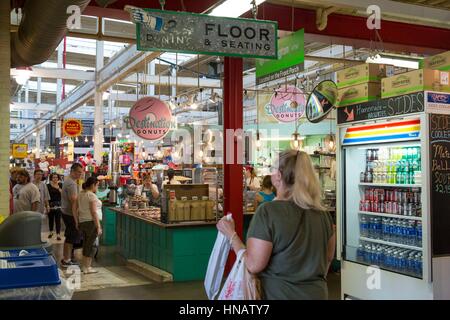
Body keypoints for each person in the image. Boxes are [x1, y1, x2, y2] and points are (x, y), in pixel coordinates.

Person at [217, 150, 336, 300]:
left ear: (279, 176)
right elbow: (328, 258)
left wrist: (232, 235)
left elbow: (254, 265)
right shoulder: (323, 214)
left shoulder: (268, 212)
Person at [77, 176, 102, 274]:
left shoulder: (81, 194)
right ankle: (87, 267)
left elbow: (76, 208)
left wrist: (77, 221)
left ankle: (85, 266)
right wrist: (98, 226)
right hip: (91, 223)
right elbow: (93, 212)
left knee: (86, 244)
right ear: (93, 185)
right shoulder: (91, 195)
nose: (97, 188)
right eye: (97, 186)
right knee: (91, 245)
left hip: (83, 221)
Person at [61, 162, 84, 268]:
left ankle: (67, 258)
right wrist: (76, 218)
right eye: (79, 172)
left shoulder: (70, 181)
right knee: (70, 237)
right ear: (73, 171)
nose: (80, 174)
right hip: (70, 214)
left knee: (70, 236)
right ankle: (66, 259)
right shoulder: (71, 183)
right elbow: (73, 201)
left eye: (81, 172)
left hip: (66, 212)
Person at [47, 173, 63, 241]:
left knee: (58, 220)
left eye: (56, 177)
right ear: (51, 178)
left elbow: (63, 194)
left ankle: (58, 234)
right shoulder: (47, 186)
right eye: (53, 177)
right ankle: (51, 232)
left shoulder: (60, 185)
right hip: (50, 204)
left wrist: (58, 188)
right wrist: (47, 205)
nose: (55, 179)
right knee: (51, 219)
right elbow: (46, 196)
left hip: (59, 204)